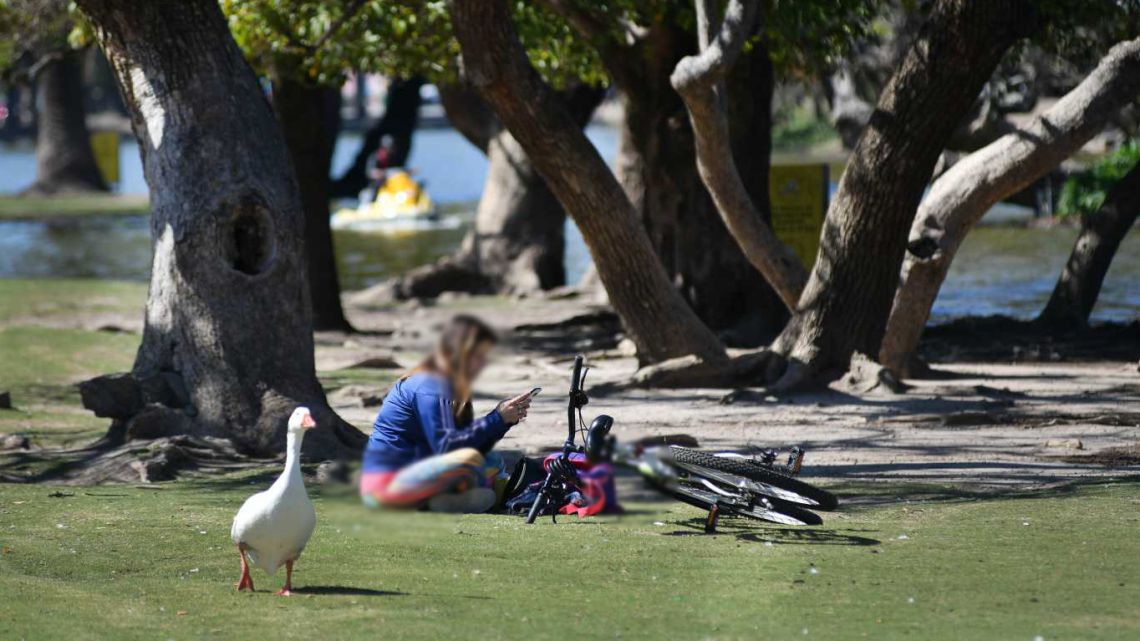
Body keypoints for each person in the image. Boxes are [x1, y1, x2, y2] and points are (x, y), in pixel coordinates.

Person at [360, 315, 533, 513]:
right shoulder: (430, 386)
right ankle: (434, 503)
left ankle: (436, 502)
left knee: (490, 459)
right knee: (485, 463)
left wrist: (504, 420)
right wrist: (497, 418)